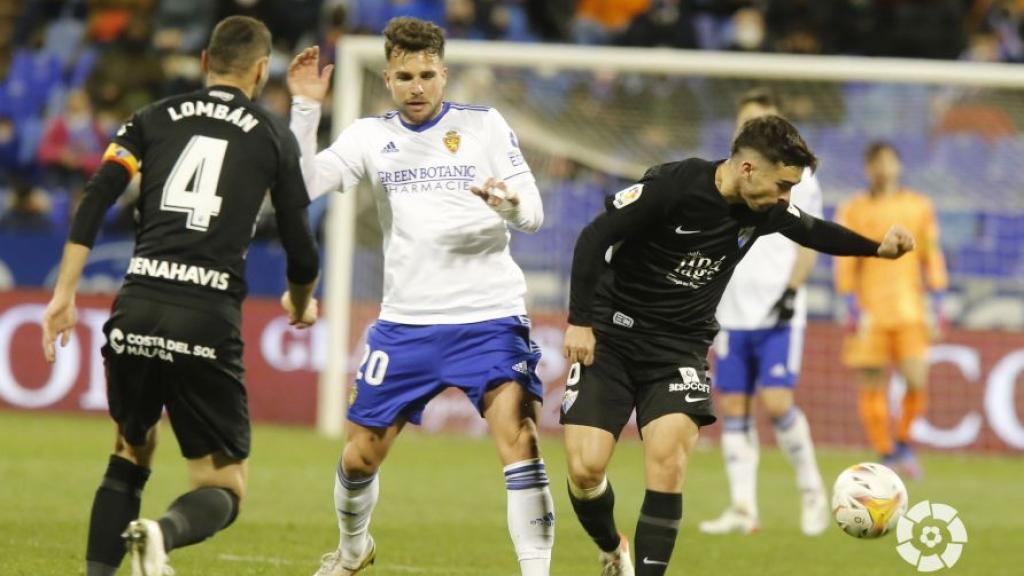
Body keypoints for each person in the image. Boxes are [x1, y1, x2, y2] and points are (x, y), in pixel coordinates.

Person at [560, 115, 915, 576]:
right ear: (748, 169)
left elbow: (812, 230)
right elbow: (594, 238)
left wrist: (877, 249)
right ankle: (611, 548)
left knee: (667, 462)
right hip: (611, 336)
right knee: (586, 470)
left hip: (678, 350)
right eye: (783, 185)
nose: (786, 199)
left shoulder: (765, 209)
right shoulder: (674, 186)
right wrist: (580, 322)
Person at [41, 16, 320, 576]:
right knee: (224, 484)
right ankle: (160, 535)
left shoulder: (152, 117)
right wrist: (297, 299)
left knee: (129, 451)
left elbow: (96, 198)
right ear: (262, 70)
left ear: (203, 63)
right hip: (205, 318)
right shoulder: (271, 134)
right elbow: (302, 250)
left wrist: (64, 295)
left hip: (137, 304)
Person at [286, 17, 554, 576]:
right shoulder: (369, 136)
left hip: (490, 316)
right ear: (387, 77)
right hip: (407, 323)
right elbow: (302, 185)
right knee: (360, 456)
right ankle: (353, 548)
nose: (417, 86)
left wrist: (505, 204)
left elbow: (533, 212)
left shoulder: (484, 126)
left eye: (427, 74)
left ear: (444, 74)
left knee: (520, 439)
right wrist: (307, 109)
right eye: (405, 75)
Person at [699, 89, 828, 536]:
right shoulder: (731, 176)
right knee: (733, 405)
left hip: (777, 308)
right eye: (744, 119)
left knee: (777, 402)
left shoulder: (799, 179)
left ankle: (813, 493)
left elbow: (813, 238)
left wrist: (792, 291)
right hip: (732, 312)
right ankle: (743, 508)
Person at [835, 141, 948, 480]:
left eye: (888, 161)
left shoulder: (918, 206)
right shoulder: (853, 208)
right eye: (876, 163)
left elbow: (932, 252)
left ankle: (904, 444)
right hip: (870, 312)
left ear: (899, 166)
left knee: (916, 381)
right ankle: (885, 451)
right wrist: (849, 300)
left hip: (910, 309)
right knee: (872, 384)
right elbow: (844, 256)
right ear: (867, 168)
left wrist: (939, 295)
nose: (883, 168)